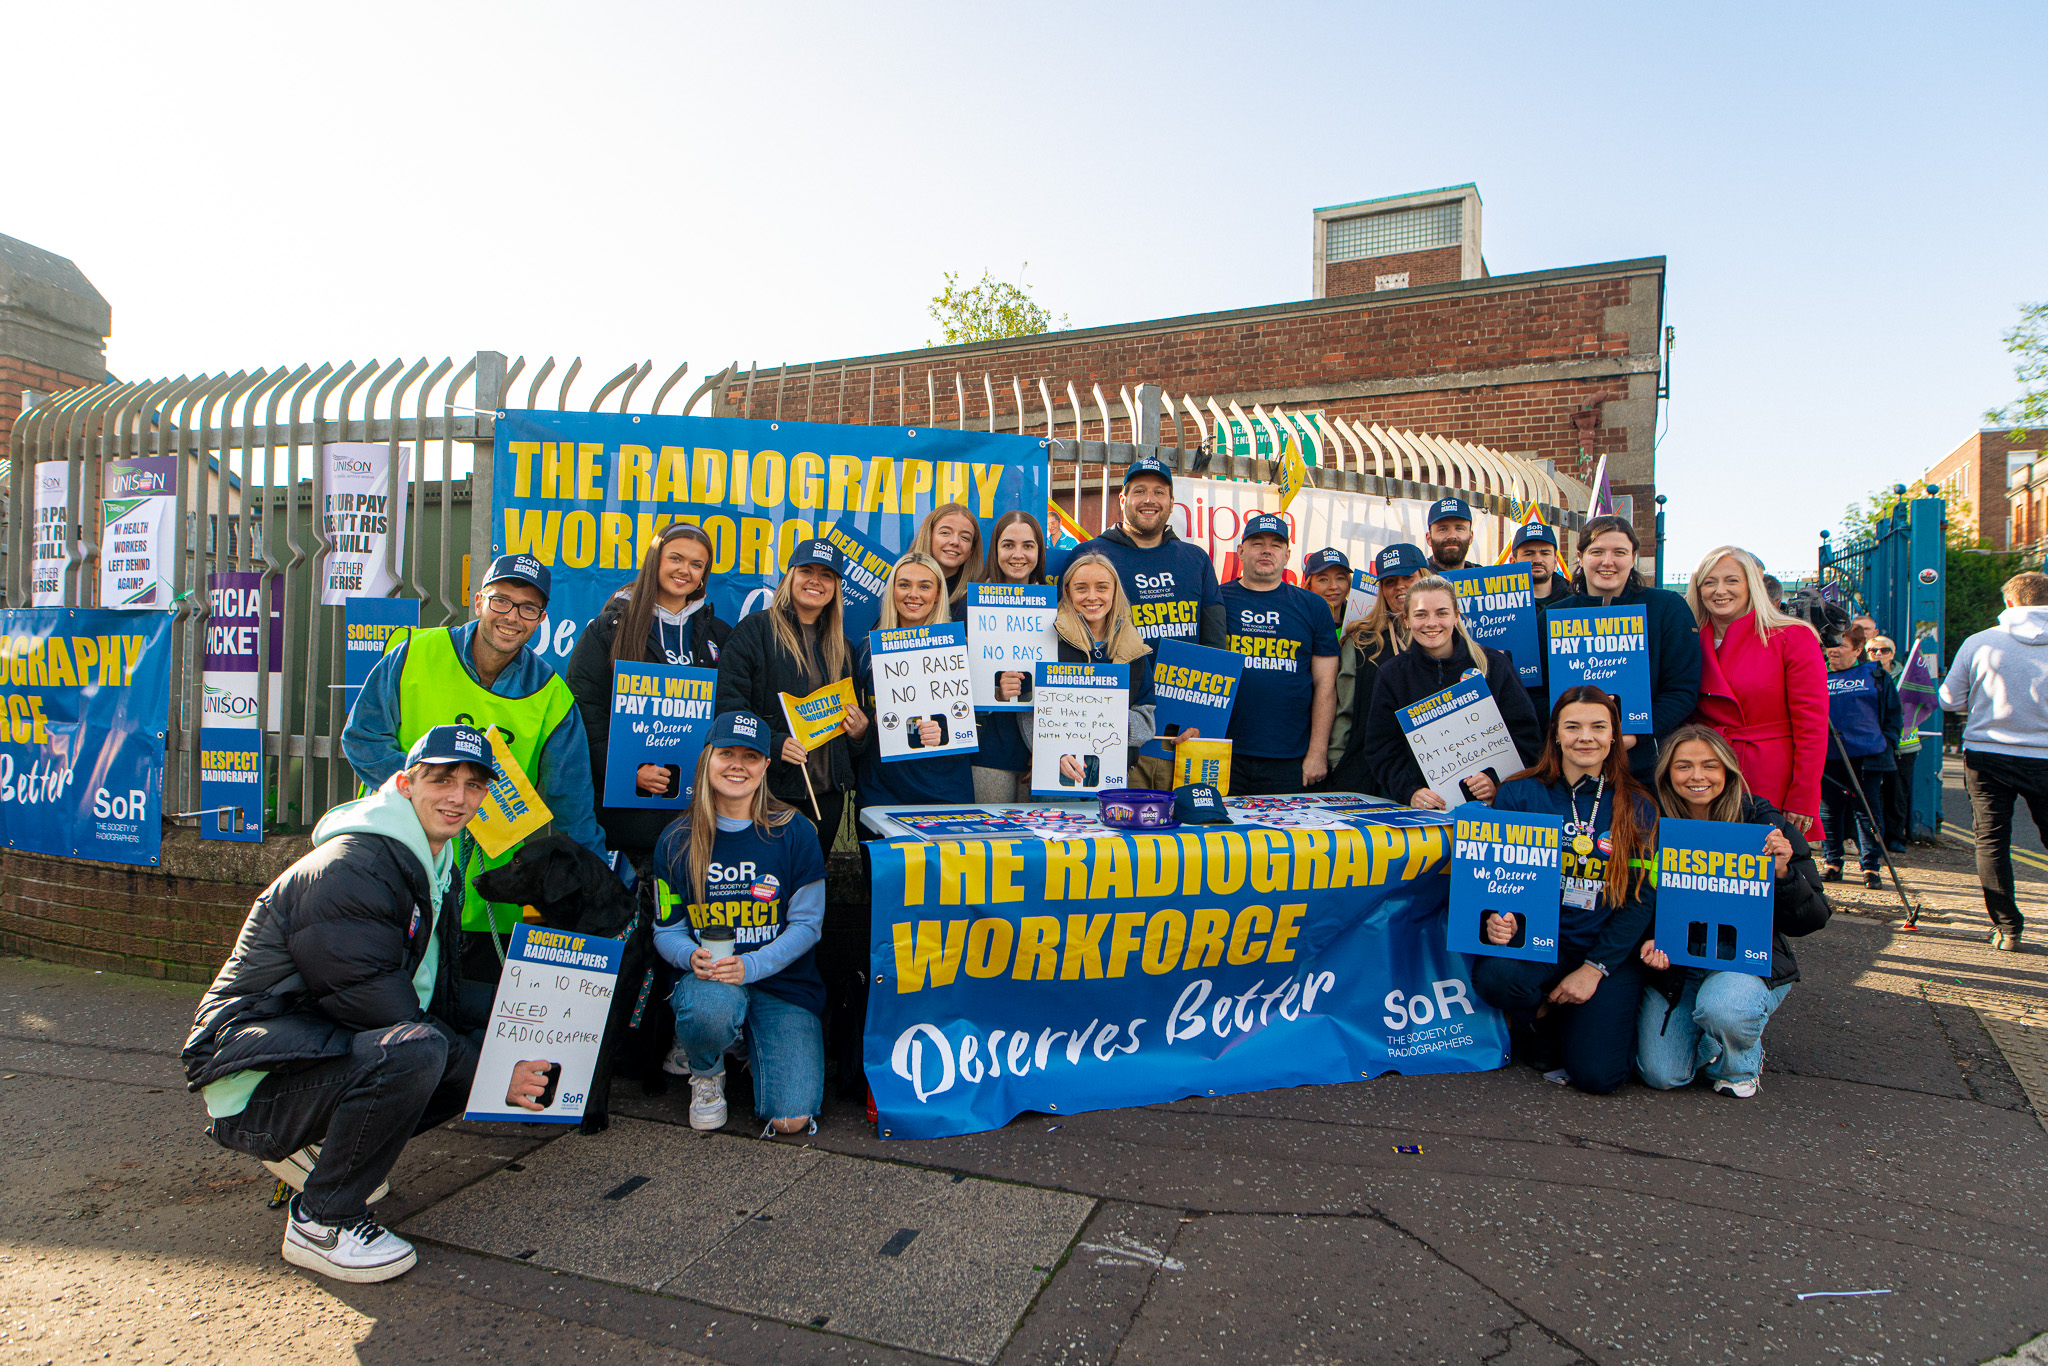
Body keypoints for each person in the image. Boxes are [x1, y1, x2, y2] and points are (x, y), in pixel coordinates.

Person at [184, 725, 504, 1283]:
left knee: (470, 1041)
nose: (459, 797)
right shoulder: (356, 867)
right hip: (255, 1083)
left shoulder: (429, 856)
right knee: (422, 1052)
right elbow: (380, 1009)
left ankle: (322, 1153)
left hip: (305, 1051)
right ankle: (321, 1220)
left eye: (473, 785)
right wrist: (497, 1074)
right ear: (405, 784)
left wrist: (499, 1046)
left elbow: (435, 990)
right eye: (442, 779)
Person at [343, 554, 606, 975]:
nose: (512, 617)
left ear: (541, 619)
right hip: (398, 861)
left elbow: (571, 805)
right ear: (479, 600)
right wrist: (439, 797)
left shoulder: (553, 695)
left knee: (471, 1021)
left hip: (489, 895)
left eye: (528, 608)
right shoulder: (414, 652)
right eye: (502, 601)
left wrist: (603, 885)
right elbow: (362, 739)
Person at [1476, 686, 1658, 1096]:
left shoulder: (1640, 804)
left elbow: (1640, 898)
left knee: (1598, 1077)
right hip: (1542, 944)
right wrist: (1496, 916)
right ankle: (1543, 1017)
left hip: (1604, 950)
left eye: (1598, 727)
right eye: (1572, 727)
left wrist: (1594, 970)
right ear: (1555, 734)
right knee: (1498, 977)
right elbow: (1493, 877)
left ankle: (1575, 1019)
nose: (1585, 737)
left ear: (1615, 736)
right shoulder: (1519, 793)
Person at [651, 711, 826, 1137]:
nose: (736, 765)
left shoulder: (795, 831)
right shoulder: (676, 840)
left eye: (750, 756)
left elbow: (808, 925)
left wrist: (752, 967)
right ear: (707, 758)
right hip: (709, 983)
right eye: (726, 753)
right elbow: (666, 931)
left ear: (766, 766)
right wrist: (688, 955)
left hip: (780, 982)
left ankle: (748, 1040)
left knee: (791, 1119)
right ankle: (707, 1070)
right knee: (711, 1010)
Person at [1636, 726, 1830, 1099]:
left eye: (1710, 765)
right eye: (1683, 766)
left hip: (1743, 962)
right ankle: (1712, 1039)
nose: (1697, 777)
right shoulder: (1649, 821)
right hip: (1677, 965)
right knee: (1662, 1075)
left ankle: (1738, 1060)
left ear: (1728, 771)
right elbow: (1631, 901)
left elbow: (1814, 917)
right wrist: (1647, 941)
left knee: (1725, 1008)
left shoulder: (1762, 822)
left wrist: (1786, 874)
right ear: (1666, 773)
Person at [565, 524, 733, 865]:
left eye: (696, 564)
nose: (684, 570)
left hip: (697, 811)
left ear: (704, 575)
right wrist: (627, 770)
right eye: (675, 558)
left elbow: (731, 711)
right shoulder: (607, 630)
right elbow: (587, 714)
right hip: (626, 815)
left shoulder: (718, 634)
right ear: (654, 561)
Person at [715, 538, 869, 863]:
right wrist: (773, 743)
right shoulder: (754, 632)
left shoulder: (843, 647)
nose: (815, 581)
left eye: (826, 575)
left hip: (827, 796)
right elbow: (729, 710)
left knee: (809, 887)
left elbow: (851, 732)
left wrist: (858, 733)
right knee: (765, 891)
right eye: (807, 571)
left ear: (836, 587)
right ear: (789, 578)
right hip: (771, 792)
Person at [1360, 573, 1543, 809]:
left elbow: (1526, 736)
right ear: (1406, 620)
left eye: (1442, 613)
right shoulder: (1392, 675)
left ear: (1456, 616)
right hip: (1422, 812)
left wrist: (1497, 779)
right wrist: (1411, 791)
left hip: (1489, 809)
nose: (1432, 623)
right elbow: (1381, 749)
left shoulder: (1494, 665)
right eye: (1421, 614)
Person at [1684, 545, 1827, 842]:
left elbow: (1812, 726)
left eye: (1731, 580)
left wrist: (1803, 796)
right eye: (1709, 582)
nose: (1719, 590)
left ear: (1752, 585)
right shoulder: (1689, 640)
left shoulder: (1792, 636)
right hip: (1705, 772)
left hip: (1770, 774)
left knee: (1769, 872)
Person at [1938, 571, 2048, 951]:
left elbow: (1950, 700)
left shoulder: (1980, 642)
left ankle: (2008, 928)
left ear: (2010, 603)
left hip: (1988, 754)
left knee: (1992, 840)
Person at [1566, 515, 1700, 783]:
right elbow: (1537, 692)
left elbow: (1681, 690)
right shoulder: (1554, 615)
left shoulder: (1667, 608)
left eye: (1619, 552)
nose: (1608, 562)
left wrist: (1634, 734)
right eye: (1597, 552)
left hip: (1645, 767)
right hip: (1572, 763)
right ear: (1580, 557)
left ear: (1633, 557)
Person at [1218, 514, 1339, 795]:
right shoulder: (1216, 599)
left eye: (1275, 545)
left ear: (1287, 555)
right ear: (1240, 551)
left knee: (1284, 839)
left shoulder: (1313, 606)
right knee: (1221, 837)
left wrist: (1318, 753)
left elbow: (1326, 686)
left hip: (1290, 758)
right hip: (1221, 752)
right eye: (1257, 542)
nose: (1266, 550)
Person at [852, 551, 975, 811]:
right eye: (904, 584)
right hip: (881, 788)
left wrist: (946, 729)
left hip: (944, 787)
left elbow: (973, 718)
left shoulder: (961, 649)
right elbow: (857, 719)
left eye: (924, 586)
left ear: (939, 594)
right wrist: (868, 722)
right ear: (892, 590)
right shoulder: (866, 652)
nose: (913, 594)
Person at [1022, 552, 1157, 783]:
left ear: (1114, 592)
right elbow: (1028, 708)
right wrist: (1053, 751)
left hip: (1114, 772)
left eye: (1102, 587)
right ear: (1067, 592)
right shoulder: (1048, 640)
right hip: (1057, 771)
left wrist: (1100, 720)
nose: (1092, 597)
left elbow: (1146, 723)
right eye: (1081, 588)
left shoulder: (1135, 648)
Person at [1068, 454, 1225, 650]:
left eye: (1159, 492)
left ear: (1171, 502)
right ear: (1123, 500)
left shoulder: (1196, 559)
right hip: (1119, 679)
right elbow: (1065, 631)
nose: (1149, 500)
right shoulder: (1087, 555)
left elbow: (1215, 640)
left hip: (1182, 680)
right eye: (1140, 491)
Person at [1325, 543, 1424, 794]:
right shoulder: (1361, 640)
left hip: (1431, 769)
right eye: (1390, 581)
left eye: (1408, 577)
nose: (1400, 586)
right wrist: (1337, 762)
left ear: (1425, 578)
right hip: (1369, 773)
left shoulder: (1445, 636)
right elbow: (1343, 709)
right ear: (1381, 589)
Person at [971, 511, 1046, 803]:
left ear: (1039, 551)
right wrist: (995, 689)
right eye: (1008, 545)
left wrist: (1049, 749)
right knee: (992, 844)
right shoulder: (970, 606)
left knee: (1039, 845)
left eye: (1028, 545)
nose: (1018, 554)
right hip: (989, 750)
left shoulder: (1057, 610)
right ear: (995, 550)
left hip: (1040, 749)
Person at [1820, 633, 1900, 888]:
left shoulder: (1875, 675)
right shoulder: (1816, 673)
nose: (1834, 650)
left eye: (1841, 646)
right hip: (1828, 754)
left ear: (1856, 651)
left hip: (1868, 754)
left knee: (1867, 810)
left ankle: (1871, 866)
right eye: (1831, 645)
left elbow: (1893, 713)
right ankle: (1832, 862)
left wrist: (1888, 742)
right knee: (1830, 810)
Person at [1511, 520, 1576, 721]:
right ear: (1513, 561)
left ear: (1556, 560)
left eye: (1544, 553)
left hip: (1562, 708)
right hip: (1512, 704)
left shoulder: (1576, 603)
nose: (1537, 559)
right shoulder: (1496, 605)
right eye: (1528, 553)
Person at [1866, 635, 1917, 852]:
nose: (1879, 654)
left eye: (1884, 650)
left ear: (1893, 654)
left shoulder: (1908, 676)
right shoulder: (1861, 674)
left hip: (1903, 743)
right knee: (1871, 793)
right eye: (1873, 650)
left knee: (1898, 792)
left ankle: (1895, 838)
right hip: (1871, 741)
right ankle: (1873, 838)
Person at [910, 502, 984, 611]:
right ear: (928, 536)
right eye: (945, 532)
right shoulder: (900, 587)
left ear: (971, 550)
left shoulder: (975, 601)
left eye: (965, 537)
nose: (955, 542)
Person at [1302, 547, 1364, 628]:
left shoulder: (1360, 625)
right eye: (1323, 579)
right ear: (1309, 587)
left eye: (1340, 578)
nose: (1333, 586)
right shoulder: (1299, 623)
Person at [1424, 496, 1475, 573]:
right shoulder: (1416, 579)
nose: (1452, 536)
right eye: (1443, 529)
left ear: (1471, 537)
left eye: (1459, 528)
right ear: (1429, 539)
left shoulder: (1484, 578)